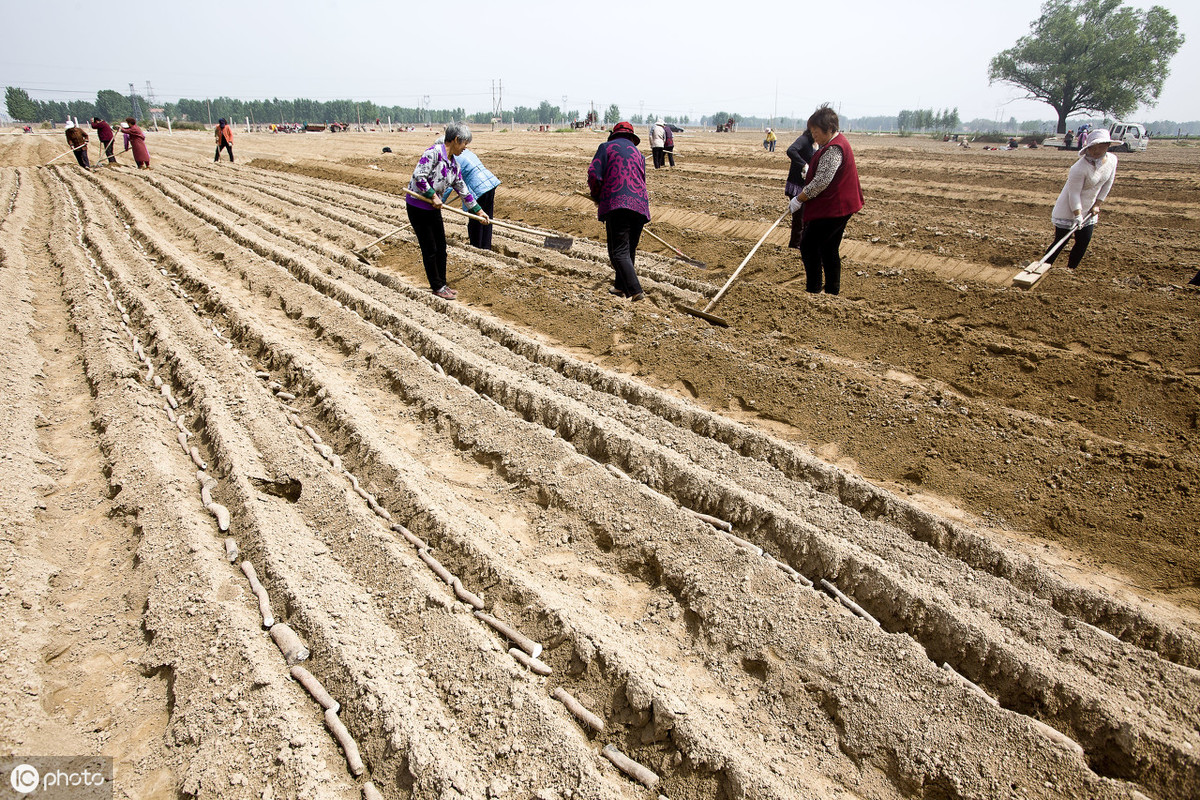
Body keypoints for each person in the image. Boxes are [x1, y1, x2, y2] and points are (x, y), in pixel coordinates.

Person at [404, 122, 489, 299]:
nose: (465, 148)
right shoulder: (433, 153)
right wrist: (432, 195)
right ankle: (436, 286)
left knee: (441, 246)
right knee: (430, 247)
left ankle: (442, 284)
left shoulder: (453, 165)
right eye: (465, 144)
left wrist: (479, 211)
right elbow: (418, 176)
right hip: (418, 206)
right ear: (456, 140)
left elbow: (462, 189)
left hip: (433, 208)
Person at [788, 104, 864, 295]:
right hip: (839, 206)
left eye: (816, 132)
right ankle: (831, 292)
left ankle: (813, 290)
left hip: (835, 208)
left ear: (830, 129)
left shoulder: (834, 149)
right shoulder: (831, 144)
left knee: (809, 245)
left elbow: (822, 181)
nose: (814, 136)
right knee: (829, 248)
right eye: (812, 132)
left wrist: (799, 198)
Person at [587, 121, 650, 301]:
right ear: (631, 137)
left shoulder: (606, 148)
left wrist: (598, 195)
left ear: (614, 135)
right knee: (628, 250)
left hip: (618, 202)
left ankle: (636, 291)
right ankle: (619, 287)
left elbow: (594, 174)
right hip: (640, 205)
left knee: (618, 252)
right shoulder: (640, 154)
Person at [1042, 128, 1117, 271]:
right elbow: (1074, 194)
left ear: (1108, 146)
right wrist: (1077, 215)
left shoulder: (1112, 160)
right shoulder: (1078, 168)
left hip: (1089, 208)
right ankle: (1044, 267)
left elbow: (1108, 183)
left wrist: (1097, 204)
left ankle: (1070, 270)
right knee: (1061, 241)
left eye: (1101, 147)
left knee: (1083, 241)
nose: (1096, 151)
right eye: (1093, 147)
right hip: (1068, 209)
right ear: (1087, 147)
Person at [442, 146, 500, 250]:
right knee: (486, 218)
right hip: (490, 183)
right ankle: (486, 247)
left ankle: (476, 248)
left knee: (475, 221)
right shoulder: (465, 152)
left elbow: (447, 185)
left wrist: (439, 201)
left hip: (477, 189)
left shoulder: (452, 159)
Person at [784, 128, 816, 249]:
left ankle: (803, 245)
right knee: (799, 219)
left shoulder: (816, 144)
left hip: (807, 187)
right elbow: (791, 150)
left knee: (807, 218)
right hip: (797, 186)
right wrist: (803, 165)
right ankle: (794, 245)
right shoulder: (803, 140)